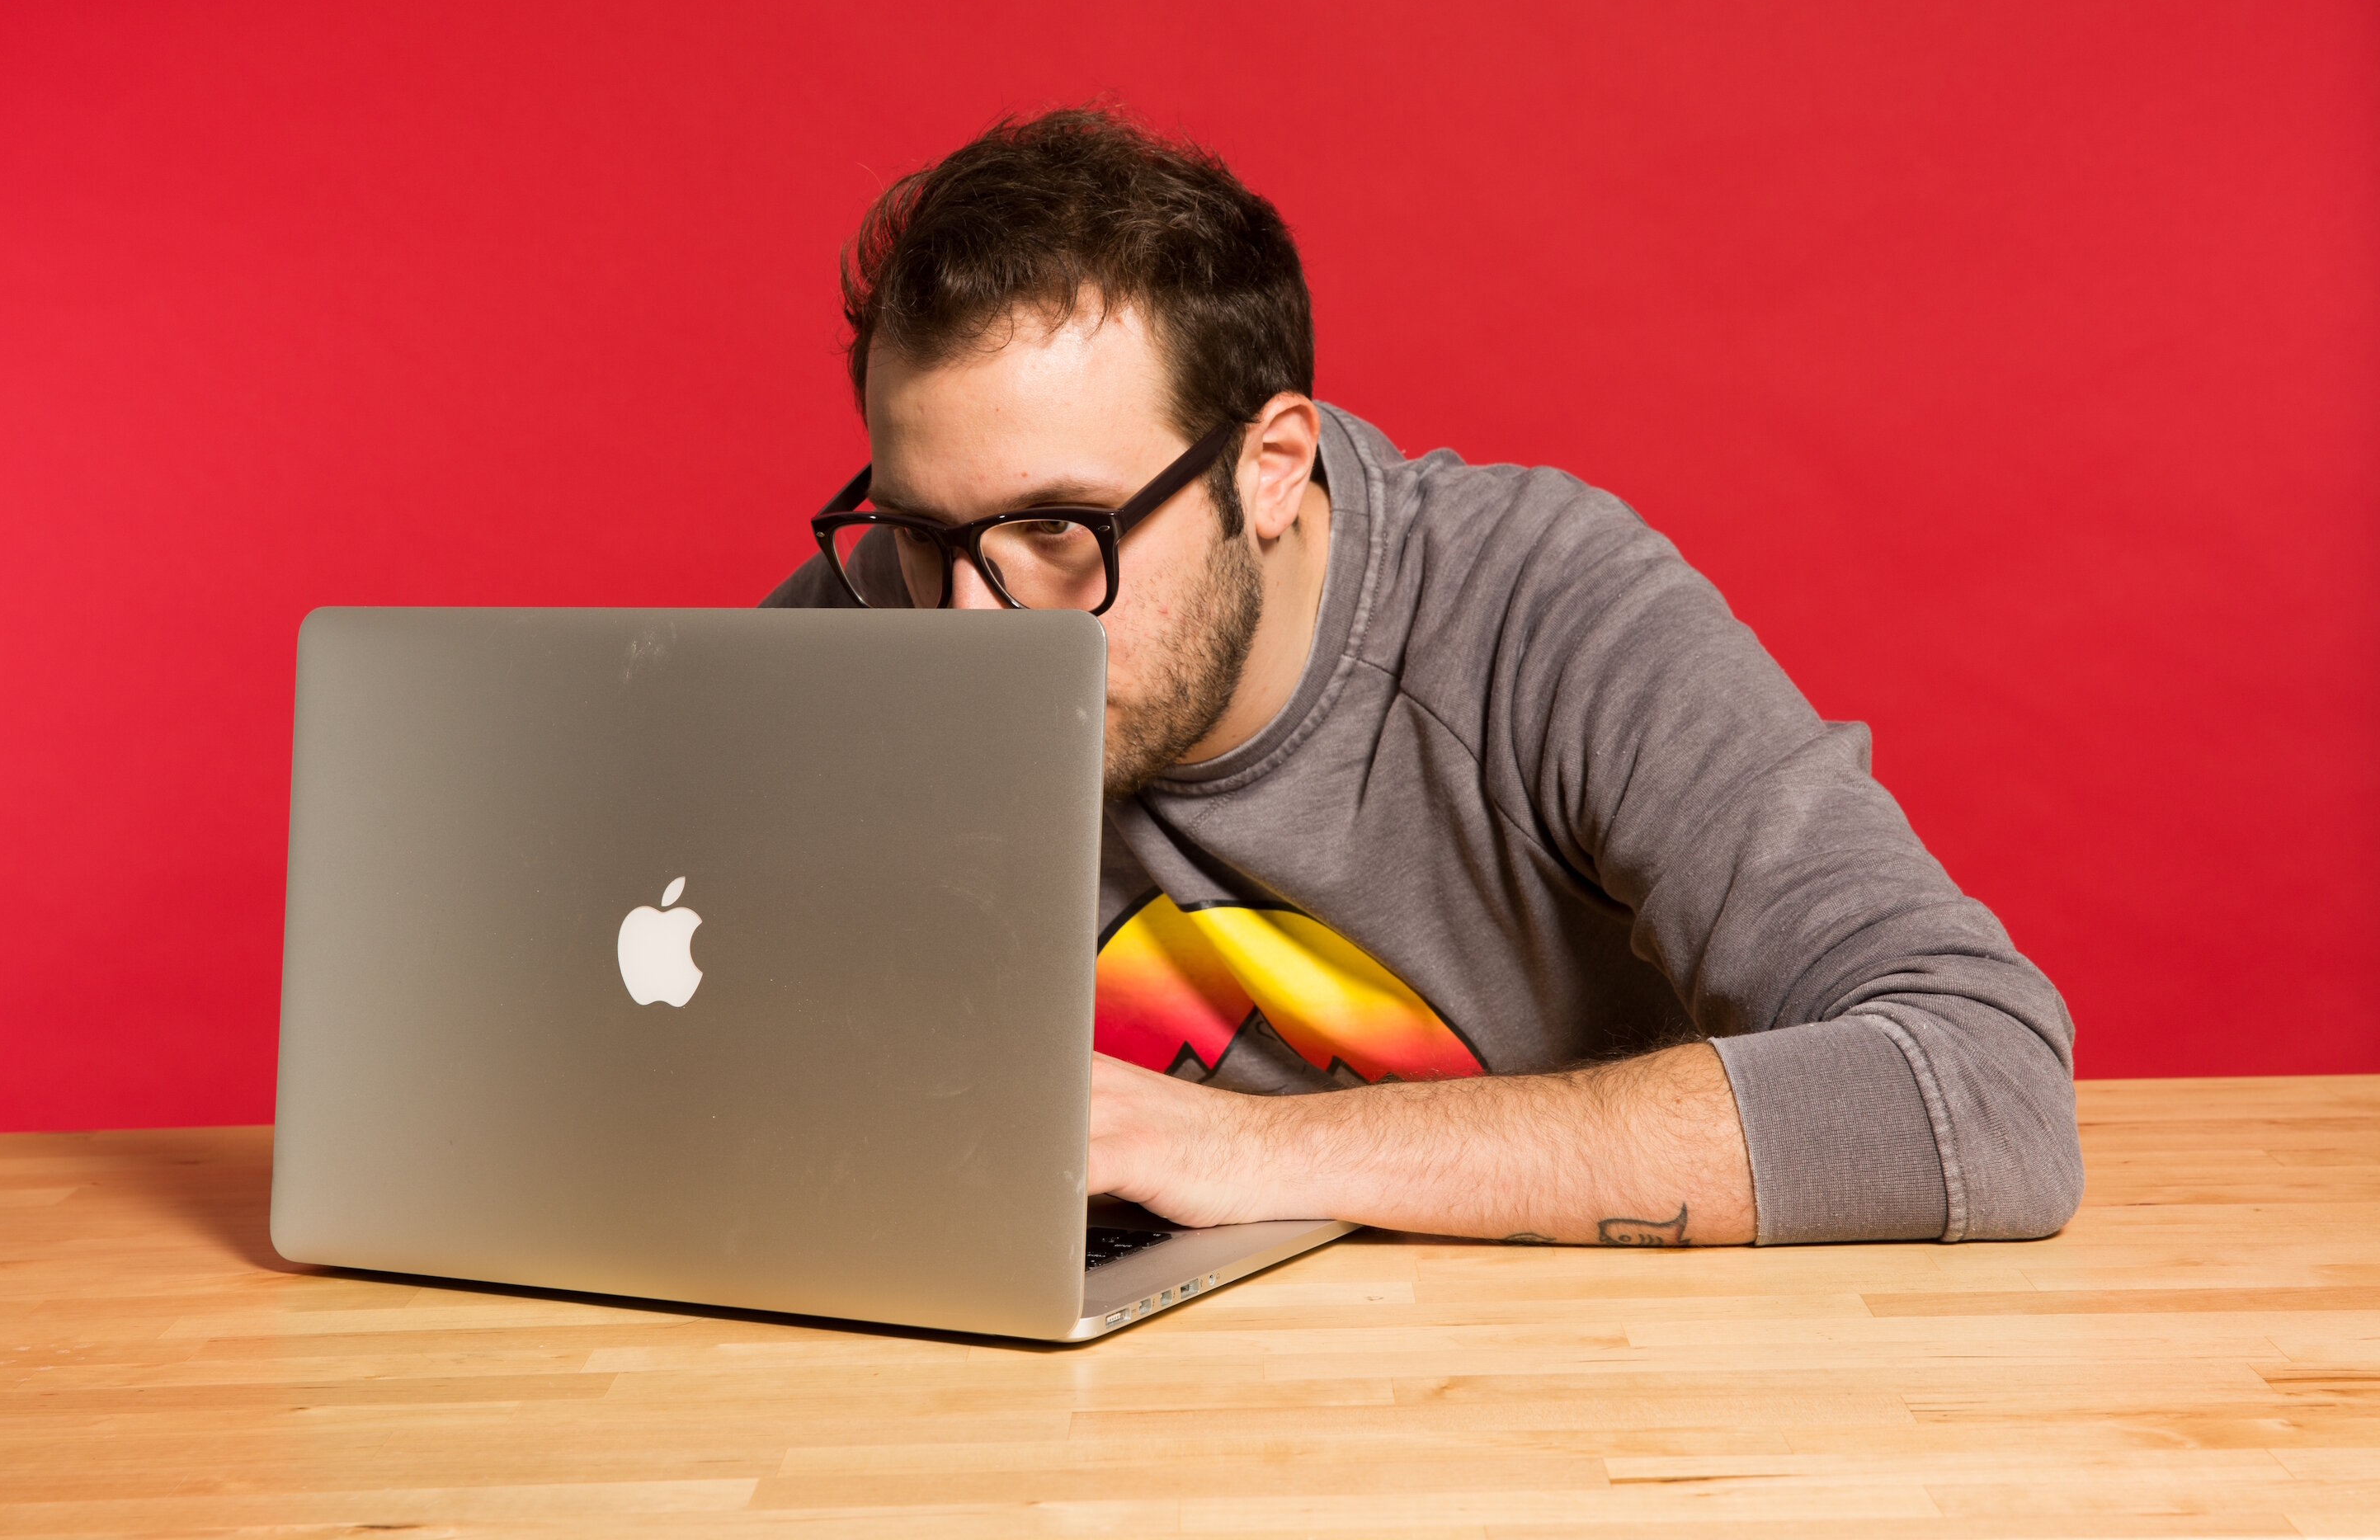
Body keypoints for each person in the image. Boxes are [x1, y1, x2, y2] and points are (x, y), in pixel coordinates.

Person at [766, 108, 2082, 1247]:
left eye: (1058, 533)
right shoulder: (887, 606)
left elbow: (1985, 1088)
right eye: (921, 532)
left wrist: (1238, 1152)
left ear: (1270, 465)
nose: (967, 625)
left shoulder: (1544, 617)